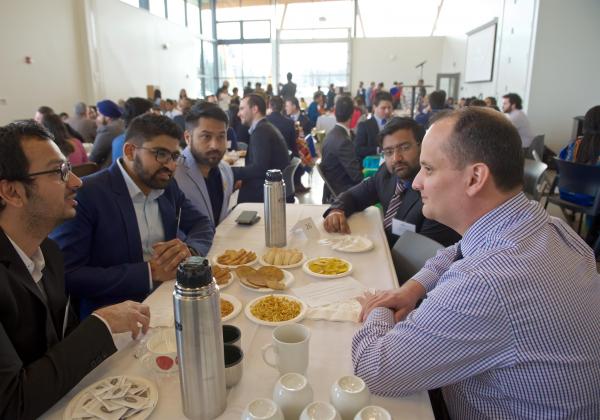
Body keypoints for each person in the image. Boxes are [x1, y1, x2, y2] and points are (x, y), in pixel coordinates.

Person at [352, 107, 600, 419]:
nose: (416, 182)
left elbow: (375, 369)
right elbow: (458, 249)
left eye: (428, 169)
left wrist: (378, 307)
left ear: (475, 178)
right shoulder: (550, 227)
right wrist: (413, 288)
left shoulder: (485, 281)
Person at [0, 120, 150, 419]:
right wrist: (101, 325)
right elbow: (11, 403)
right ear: (13, 193)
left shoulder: (50, 253)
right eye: (59, 172)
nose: (77, 182)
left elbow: (59, 347)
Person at [51, 114, 214, 318]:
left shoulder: (167, 186)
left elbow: (202, 223)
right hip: (115, 316)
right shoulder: (87, 194)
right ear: (129, 151)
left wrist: (189, 252)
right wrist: (150, 273)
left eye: (174, 156)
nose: (171, 166)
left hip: (170, 299)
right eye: (161, 154)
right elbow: (67, 274)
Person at [324, 117, 460, 248]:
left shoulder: (435, 193)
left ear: (422, 145)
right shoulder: (386, 174)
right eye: (388, 152)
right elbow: (355, 196)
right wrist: (337, 210)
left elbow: (422, 257)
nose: (396, 158)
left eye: (405, 147)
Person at [175, 103, 234, 226]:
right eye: (206, 136)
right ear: (187, 138)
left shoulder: (226, 171)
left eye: (221, 137)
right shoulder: (173, 174)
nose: (215, 145)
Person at [232, 94, 289, 203]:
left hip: (265, 193)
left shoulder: (261, 132)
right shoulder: (266, 127)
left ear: (254, 109)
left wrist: (230, 171)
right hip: (272, 187)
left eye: (242, 109)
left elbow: (259, 168)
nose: (238, 114)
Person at [320, 96, 363, 203]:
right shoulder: (344, 141)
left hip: (333, 187)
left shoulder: (330, 135)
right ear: (352, 115)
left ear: (334, 112)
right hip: (343, 190)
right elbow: (357, 177)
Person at [355, 91, 393, 163]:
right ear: (374, 107)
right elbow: (358, 149)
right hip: (373, 166)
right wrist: (378, 150)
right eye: (383, 108)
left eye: (389, 107)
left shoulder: (394, 123)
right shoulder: (364, 125)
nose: (387, 111)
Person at [112, 97, 153, 162]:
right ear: (143, 115)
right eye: (149, 112)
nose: (152, 115)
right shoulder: (142, 141)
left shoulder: (118, 140)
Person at [89, 99, 124, 168]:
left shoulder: (107, 130)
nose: (97, 118)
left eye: (99, 115)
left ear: (107, 116)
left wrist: (100, 127)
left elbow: (93, 158)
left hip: (108, 169)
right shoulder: (122, 123)